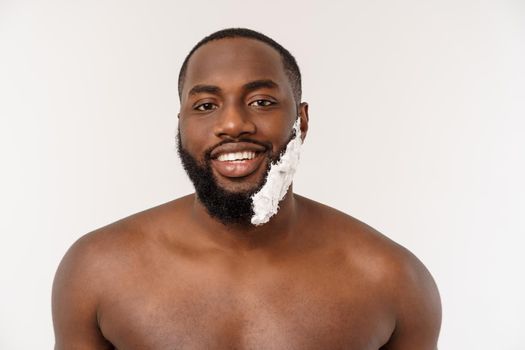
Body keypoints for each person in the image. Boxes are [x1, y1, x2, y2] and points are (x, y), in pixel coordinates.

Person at [52, 28, 441, 350]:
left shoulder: (394, 281)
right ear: (181, 124)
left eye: (261, 101)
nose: (234, 123)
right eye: (206, 106)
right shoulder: (97, 271)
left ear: (301, 120)